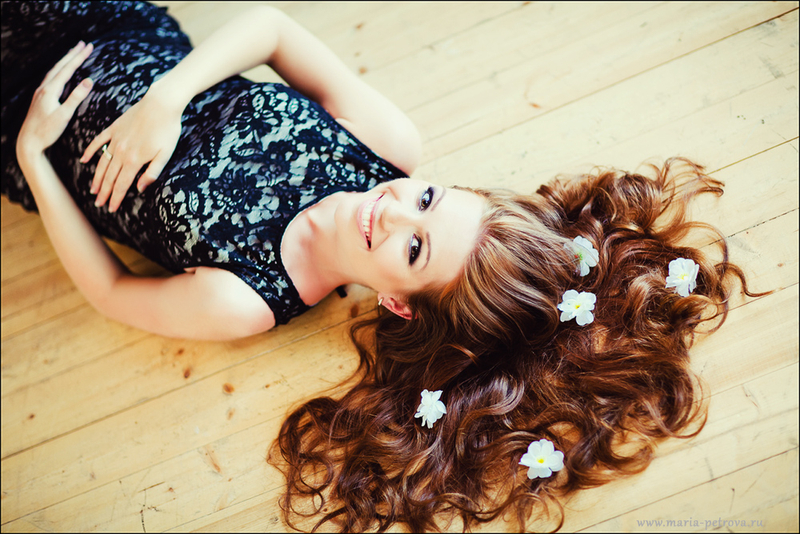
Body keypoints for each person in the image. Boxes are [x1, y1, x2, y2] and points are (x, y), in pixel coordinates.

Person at [2, 2, 763, 532]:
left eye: (413, 249)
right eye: (429, 199)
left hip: (24, 120)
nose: (394, 209)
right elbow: (270, 28)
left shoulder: (249, 297)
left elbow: (112, 290)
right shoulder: (385, 144)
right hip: (119, 29)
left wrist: (34, 154)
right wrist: (168, 96)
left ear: (398, 302)